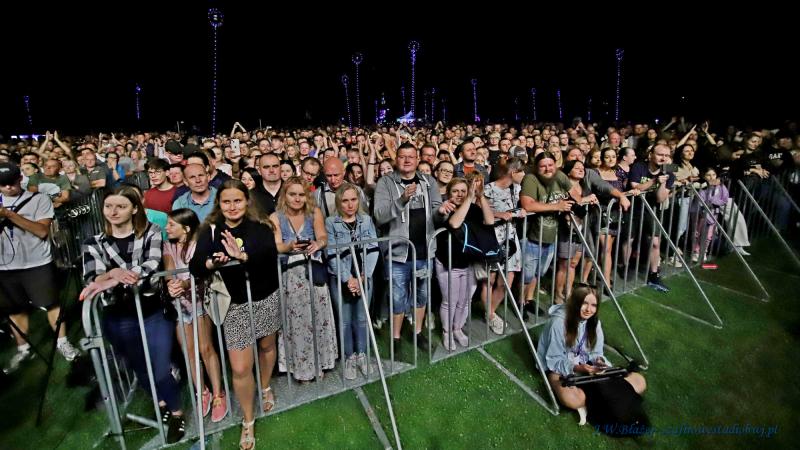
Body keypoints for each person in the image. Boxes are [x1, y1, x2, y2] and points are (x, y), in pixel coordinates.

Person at [79, 185, 185, 443]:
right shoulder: (93, 242)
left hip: (153, 312)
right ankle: (162, 405)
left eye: (121, 206)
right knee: (141, 368)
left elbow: (151, 265)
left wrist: (113, 277)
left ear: (135, 209)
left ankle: (177, 413)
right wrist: (112, 274)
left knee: (160, 368)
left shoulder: (152, 232)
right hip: (118, 318)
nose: (113, 212)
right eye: (108, 206)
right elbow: (92, 276)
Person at [189, 180, 281, 450]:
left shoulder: (262, 227)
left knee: (267, 346)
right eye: (226, 201)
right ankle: (248, 420)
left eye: (237, 200)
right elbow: (195, 266)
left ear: (247, 201)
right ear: (219, 204)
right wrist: (211, 262)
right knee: (240, 367)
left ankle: (265, 386)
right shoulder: (210, 230)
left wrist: (242, 257)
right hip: (234, 306)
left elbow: (269, 256)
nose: (232, 207)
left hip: (265, 297)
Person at [0, 162, 80, 374]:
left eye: (10, 182)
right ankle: (23, 348)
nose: (7, 187)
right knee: (14, 308)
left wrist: (8, 215)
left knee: (51, 303)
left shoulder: (39, 199)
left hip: (36, 262)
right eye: (2, 184)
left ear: (20, 179)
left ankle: (62, 341)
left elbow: (42, 231)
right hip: (4, 265)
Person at [374, 143, 449, 351]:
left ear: (417, 159)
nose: (407, 160)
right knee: (397, 297)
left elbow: (436, 214)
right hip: (398, 253)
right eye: (402, 156)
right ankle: (396, 337)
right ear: (396, 159)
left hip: (424, 252)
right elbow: (379, 216)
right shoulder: (385, 182)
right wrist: (402, 200)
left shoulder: (428, 181)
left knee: (421, 295)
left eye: (411, 156)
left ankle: (417, 333)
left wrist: (442, 211)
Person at [537, 285, 646, 425]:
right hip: (560, 368)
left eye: (593, 305)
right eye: (584, 303)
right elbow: (554, 360)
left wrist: (599, 362)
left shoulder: (594, 322)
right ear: (575, 302)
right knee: (573, 400)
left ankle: (593, 401)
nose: (589, 309)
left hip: (586, 366)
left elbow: (596, 353)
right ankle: (599, 399)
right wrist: (578, 368)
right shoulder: (558, 323)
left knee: (639, 381)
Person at [270, 176, 338, 382]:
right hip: (291, 276)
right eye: (292, 194)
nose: (297, 198)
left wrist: (318, 244)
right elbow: (276, 245)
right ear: (285, 195)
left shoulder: (314, 212)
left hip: (313, 272)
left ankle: (320, 363)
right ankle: (301, 369)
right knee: (297, 323)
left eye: (301, 194)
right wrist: (289, 247)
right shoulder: (275, 217)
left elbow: (323, 236)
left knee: (318, 318)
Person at [163, 208, 227, 423]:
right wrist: (171, 284)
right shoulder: (168, 245)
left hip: (198, 301)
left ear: (186, 228)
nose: (166, 228)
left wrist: (184, 284)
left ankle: (218, 394)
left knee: (206, 348)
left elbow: (201, 272)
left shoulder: (199, 244)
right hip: (179, 306)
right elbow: (169, 268)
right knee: (188, 351)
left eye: (171, 224)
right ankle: (203, 391)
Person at [325, 183, 379, 379]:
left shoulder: (366, 220)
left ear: (359, 201)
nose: (350, 204)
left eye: (353, 200)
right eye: (345, 200)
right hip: (341, 278)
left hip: (364, 276)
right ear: (339, 202)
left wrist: (363, 276)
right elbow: (331, 253)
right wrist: (348, 279)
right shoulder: (331, 222)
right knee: (345, 320)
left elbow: (373, 248)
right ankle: (349, 357)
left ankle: (362, 354)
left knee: (362, 318)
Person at [435, 177, 494, 349]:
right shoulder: (446, 208)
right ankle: (446, 332)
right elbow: (454, 223)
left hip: (469, 262)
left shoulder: (473, 208)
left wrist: (480, 197)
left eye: (463, 191)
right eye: (455, 191)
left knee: (465, 300)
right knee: (450, 301)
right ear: (448, 193)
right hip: (448, 263)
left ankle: (457, 329)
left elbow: (490, 221)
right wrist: (469, 198)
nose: (460, 194)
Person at [628, 144, 675, 292]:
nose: (664, 158)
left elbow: (660, 198)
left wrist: (662, 182)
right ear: (651, 155)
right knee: (629, 239)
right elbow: (635, 187)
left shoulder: (669, 172)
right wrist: (654, 181)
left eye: (666, 155)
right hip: (632, 208)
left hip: (651, 210)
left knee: (655, 242)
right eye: (660, 154)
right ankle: (624, 266)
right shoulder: (639, 166)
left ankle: (654, 274)